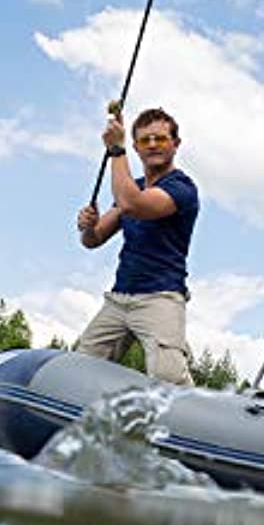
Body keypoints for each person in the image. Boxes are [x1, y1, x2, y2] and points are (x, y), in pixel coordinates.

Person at [74, 105, 199, 385]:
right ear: (137, 147)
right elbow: (93, 241)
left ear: (175, 144)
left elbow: (134, 204)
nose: (153, 145)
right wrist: (87, 226)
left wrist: (116, 151)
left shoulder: (182, 188)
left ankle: (200, 421)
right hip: (119, 300)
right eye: (145, 140)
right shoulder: (131, 185)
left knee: (168, 377)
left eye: (161, 138)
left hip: (161, 297)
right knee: (78, 368)